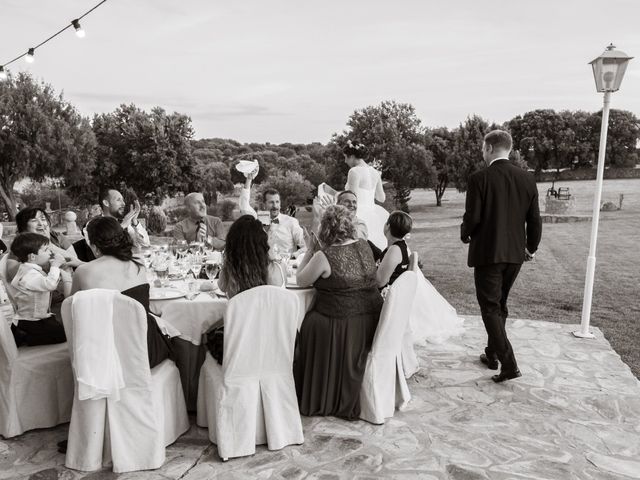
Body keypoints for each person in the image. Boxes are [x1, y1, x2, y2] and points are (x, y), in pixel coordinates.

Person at [461, 129, 542, 383]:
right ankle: (492, 353)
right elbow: (535, 219)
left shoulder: (479, 178)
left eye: (482, 148)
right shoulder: (527, 179)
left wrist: (465, 234)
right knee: (500, 305)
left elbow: (473, 217)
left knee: (490, 307)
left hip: (488, 253)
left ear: (488, 148)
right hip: (514, 255)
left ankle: (508, 364)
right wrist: (531, 247)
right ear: (509, 148)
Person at [294, 205, 383, 420]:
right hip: (371, 319)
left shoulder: (325, 255)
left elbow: (300, 280)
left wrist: (310, 250)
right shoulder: (364, 246)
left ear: (326, 228)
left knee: (309, 323)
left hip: (343, 325)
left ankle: (314, 390)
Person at [71, 216, 173, 369]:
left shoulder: (83, 272)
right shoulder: (138, 263)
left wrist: (66, 276)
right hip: (146, 351)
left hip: (106, 358)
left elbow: (71, 310)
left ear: (94, 246)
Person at [206, 215, 285, 364]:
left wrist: (228, 258)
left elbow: (221, 287)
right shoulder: (278, 269)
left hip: (240, 348)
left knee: (207, 330)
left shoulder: (231, 271)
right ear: (263, 242)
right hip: (276, 345)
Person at [9, 233, 70, 346]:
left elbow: (43, 282)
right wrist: (55, 266)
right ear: (32, 256)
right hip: (30, 319)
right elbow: (49, 284)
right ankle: (24, 336)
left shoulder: (29, 269)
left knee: (61, 328)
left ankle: (25, 333)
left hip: (37, 315)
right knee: (62, 335)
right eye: (46, 250)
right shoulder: (29, 274)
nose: (50, 253)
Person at [72, 188, 150, 262]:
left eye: (123, 200)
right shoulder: (92, 225)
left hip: (125, 267)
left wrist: (135, 221)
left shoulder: (125, 223)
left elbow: (145, 244)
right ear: (106, 203)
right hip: (104, 271)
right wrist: (121, 226)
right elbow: (98, 253)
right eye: (118, 200)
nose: (123, 203)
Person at [239, 171, 305, 257]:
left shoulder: (291, 222)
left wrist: (295, 254)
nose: (275, 206)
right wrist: (249, 179)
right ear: (264, 204)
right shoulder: (257, 220)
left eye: (277, 202)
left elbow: (305, 247)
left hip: (285, 266)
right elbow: (244, 206)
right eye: (271, 202)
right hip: (262, 266)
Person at [343, 140, 389, 251]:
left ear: (352, 156)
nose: (345, 161)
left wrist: (333, 194)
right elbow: (381, 198)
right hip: (374, 214)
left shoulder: (354, 171)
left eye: (346, 157)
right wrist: (368, 193)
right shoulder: (375, 172)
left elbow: (351, 198)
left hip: (359, 214)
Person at [376, 211, 413, 289]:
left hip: (387, 296)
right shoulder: (400, 245)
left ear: (388, 226)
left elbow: (380, 282)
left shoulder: (395, 249)